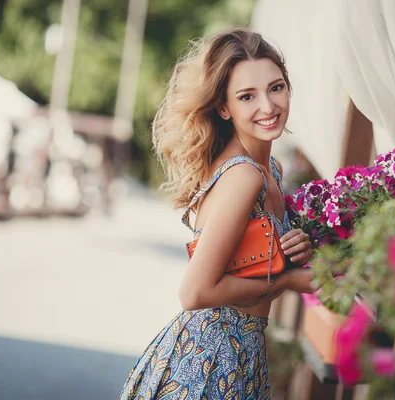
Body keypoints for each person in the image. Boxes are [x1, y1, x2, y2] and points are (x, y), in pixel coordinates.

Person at [119, 28, 317, 400]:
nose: (268, 106)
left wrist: (294, 250)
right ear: (224, 107)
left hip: (240, 355)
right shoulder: (244, 176)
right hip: (212, 360)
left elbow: (251, 260)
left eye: (276, 88)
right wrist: (288, 280)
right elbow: (195, 292)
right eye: (247, 96)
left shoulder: (268, 170)